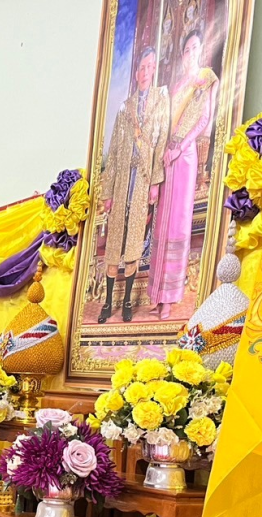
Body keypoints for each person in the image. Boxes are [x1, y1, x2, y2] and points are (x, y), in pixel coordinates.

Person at [147, 29, 219, 320]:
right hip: (167, 158)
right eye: (186, 49)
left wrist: (181, 147)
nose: (190, 54)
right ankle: (156, 292)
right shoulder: (177, 87)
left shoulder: (206, 79)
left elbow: (204, 118)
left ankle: (170, 298)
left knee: (177, 224)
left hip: (186, 157)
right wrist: (165, 151)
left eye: (194, 48)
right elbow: (164, 124)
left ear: (201, 50)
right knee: (161, 225)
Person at [98, 46, 170, 324]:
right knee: (115, 238)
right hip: (121, 184)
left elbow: (161, 140)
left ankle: (127, 301)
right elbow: (115, 151)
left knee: (134, 239)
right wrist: (107, 192)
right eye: (141, 67)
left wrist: (155, 180)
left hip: (141, 182)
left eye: (149, 67)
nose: (144, 72)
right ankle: (107, 302)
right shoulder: (125, 108)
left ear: (154, 70)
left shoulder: (159, 102)